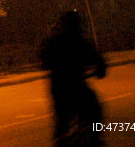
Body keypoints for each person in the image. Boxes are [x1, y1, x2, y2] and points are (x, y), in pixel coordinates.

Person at [40, 11, 107, 146]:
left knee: (61, 122)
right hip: (77, 88)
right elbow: (99, 64)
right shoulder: (81, 42)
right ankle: (94, 138)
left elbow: (43, 62)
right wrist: (99, 71)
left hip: (58, 89)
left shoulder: (52, 41)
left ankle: (60, 139)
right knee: (95, 111)